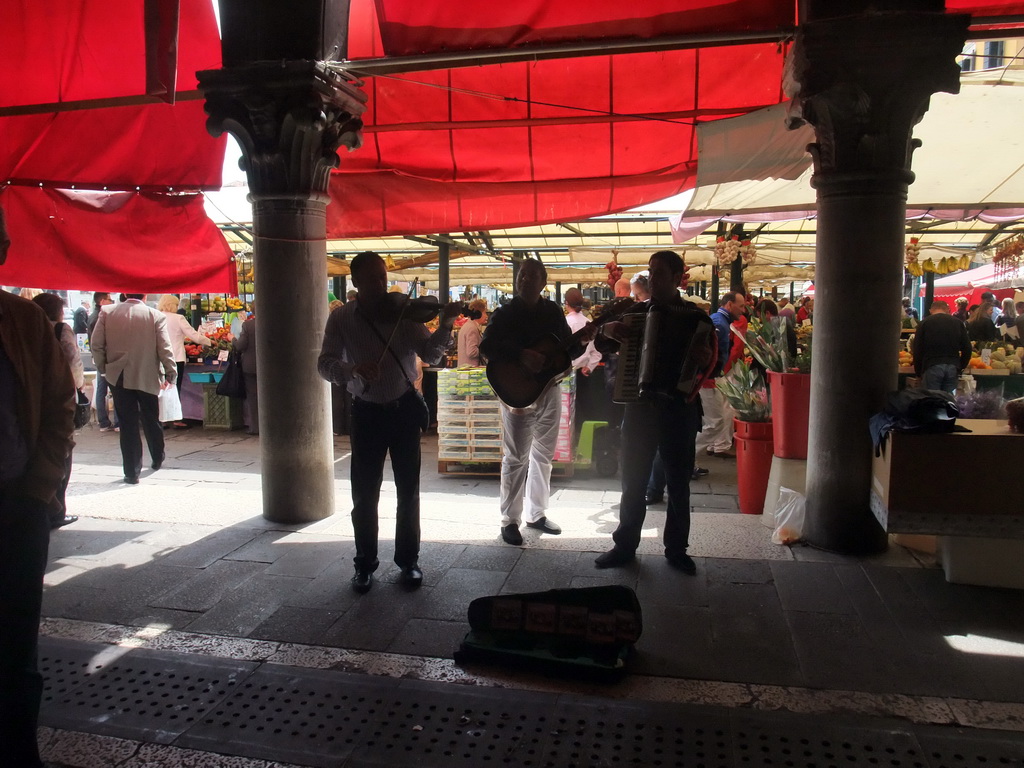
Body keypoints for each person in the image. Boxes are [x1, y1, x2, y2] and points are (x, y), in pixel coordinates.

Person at [318, 251, 460, 593]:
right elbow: (324, 363)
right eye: (372, 280)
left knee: (408, 491)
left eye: (383, 278)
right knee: (364, 494)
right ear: (356, 283)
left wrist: (444, 326)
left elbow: (430, 355)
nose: (381, 286)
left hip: (402, 410)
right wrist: (351, 370)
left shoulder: (405, 316)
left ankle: (408, 562)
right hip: (365, 412)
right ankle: (364, 564)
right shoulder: (342, 320)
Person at [0, 208, 77, 768]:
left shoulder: (24, 322)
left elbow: (59, 407)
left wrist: (40, 487)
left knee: (16, 647)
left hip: (17, 503)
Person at [594, 250, 715, 574]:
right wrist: (608, 331)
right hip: (639, 408)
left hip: (679, 409)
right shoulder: (635, 313)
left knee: (678, 483)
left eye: (659, 273)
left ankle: (677, 550)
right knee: (632, 480)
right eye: (650, 271)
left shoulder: (697, 318)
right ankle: (624, 545)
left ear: (677, 279)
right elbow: (601, 341)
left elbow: (715, 362)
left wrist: (705, 360)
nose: (652, 278)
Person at [481, 259, 591, 546]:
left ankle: (537, 514)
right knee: (516, 456)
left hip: (550, 388)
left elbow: (566, 349)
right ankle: (509, 520)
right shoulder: (505, 313)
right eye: (522, 274)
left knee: (544, 454)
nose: (525, 279)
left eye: (532, 275)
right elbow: (487, 347)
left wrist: (584, 341)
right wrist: (521, 354)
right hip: (517, 392)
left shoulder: (553, 311)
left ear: (543, 281)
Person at [91, 294, 176, 484]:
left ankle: (131, 471)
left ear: (124, 294)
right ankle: (157, 456)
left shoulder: (107, 312)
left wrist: (103, 368)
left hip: (118, 374)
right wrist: (171, 371)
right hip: (147, 374)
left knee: (127, 423)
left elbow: (96, 345)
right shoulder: (155, 315)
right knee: (151, 417)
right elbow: (164, 347)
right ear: (145, 296)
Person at [32, 293, 83, 529]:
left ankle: (39, 504)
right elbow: (73, 363)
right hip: (57, 398)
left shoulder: (25, 327)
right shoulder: (61, 329)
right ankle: (56, 508)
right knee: (60, 449)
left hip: (31, 397)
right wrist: (78, 389)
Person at [695, 291, 746, 459]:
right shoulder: (720, 323)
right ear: (729, 304)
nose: (743, 310)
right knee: (715, 422)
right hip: (708, 379)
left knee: (713, 421)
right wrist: (709, 374)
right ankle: (687, 456)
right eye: (741, 306)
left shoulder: (721, 321)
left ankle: (688, 458)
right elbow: (709, 351)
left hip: (709, 378)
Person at [157, 294, 211, 427]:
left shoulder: (156, 316)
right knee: (175, 388)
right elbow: (194, 335)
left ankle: (162, 419)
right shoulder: (178, 318)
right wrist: (209, 341)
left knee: (161, 388)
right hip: (176, 358)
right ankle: (176, 419)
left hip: (159, 358)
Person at [911, 300, 972, 393]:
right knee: (948, 401)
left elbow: (918, 349)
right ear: (947, 309)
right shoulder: (958, 323)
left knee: (933, 401)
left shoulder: (924, 323)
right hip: (952, 366)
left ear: (930, 310)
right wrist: (960, 366)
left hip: (932, 365)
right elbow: (967, 348)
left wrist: (918, 372)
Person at [88, 292, 118, 432]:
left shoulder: (96, 316)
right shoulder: (99, 317)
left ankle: (104, 422)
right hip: (105, 359)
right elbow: (98, 343)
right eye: (109, 299)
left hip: (101, 359)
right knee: (113, 389)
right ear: (102, 301)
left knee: (102, 390)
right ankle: (114, 422)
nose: (111, 302)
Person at [233, 308, 259, 435]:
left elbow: (240, 346)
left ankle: (256, 427)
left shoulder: (248, 325)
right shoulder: (276, 323)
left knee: (253, 397)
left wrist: (233, 340)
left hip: (251, 366)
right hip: (272, 368)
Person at [456, 298, 488, 367]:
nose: (486, 316)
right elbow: (471, 352)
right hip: (470, 370)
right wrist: (486, 350)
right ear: (478, 313)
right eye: (485, 312)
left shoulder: (468, 326)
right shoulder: (472, 328)